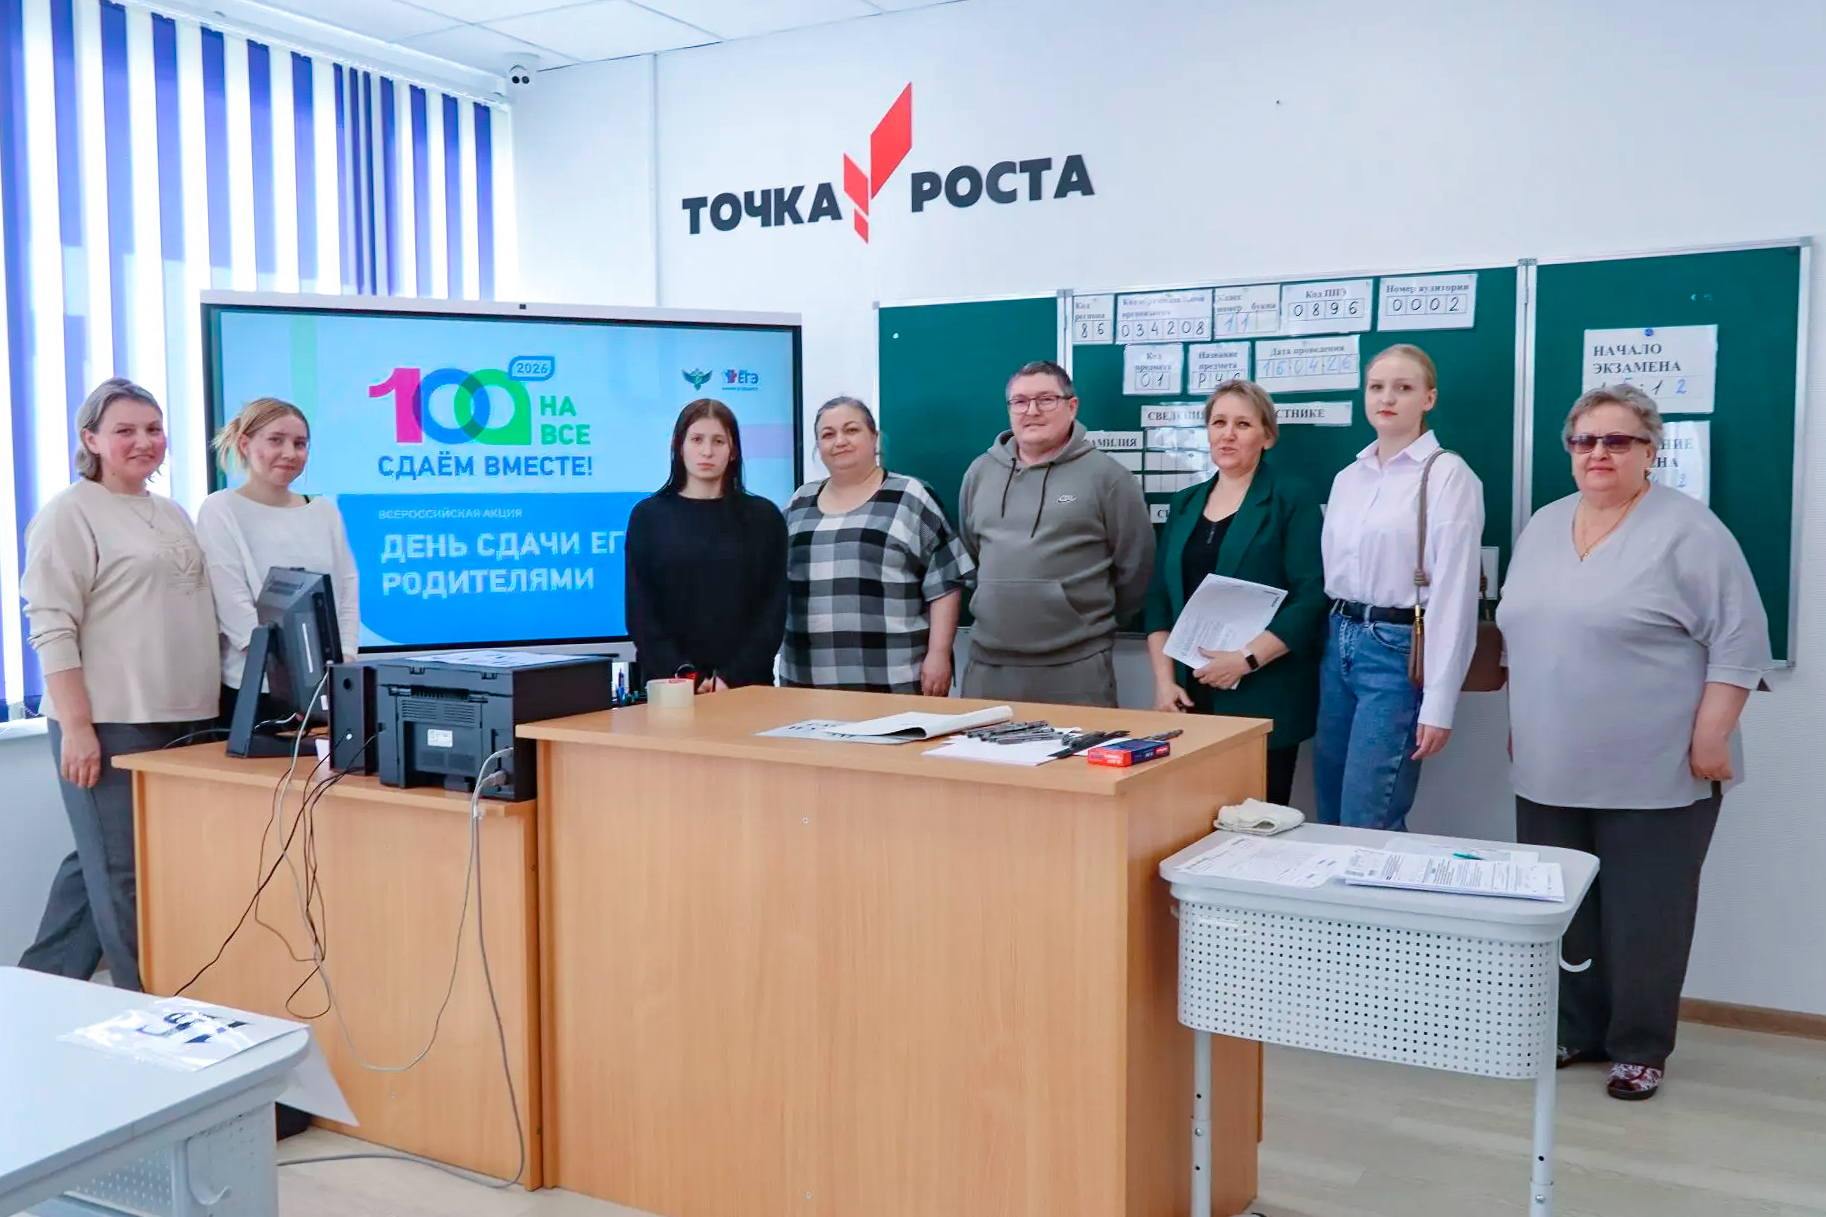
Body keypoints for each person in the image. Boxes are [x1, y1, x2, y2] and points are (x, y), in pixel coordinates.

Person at [1500, 384, 1768, 1101]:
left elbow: (1741, 641)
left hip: (1659, 767)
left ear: (1651, 451)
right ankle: (1577, 1029)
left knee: (1647, 914)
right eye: (1584, 440)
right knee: (1565, 909)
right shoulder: (1544, 524)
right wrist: (1521, 722)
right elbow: (1526, 634)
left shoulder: (1691, 530)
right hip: (1550, 763)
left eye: (1617, 440)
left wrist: (1713, 733)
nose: (1599, 453)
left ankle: (1640, 1046)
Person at [17, 378, 219, 992]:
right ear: (91, 439)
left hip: (184, 717)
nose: (144, 441)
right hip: (110, 720)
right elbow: (52, 626)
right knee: (125, 879)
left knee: (98, 867)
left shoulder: (172, 511)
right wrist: (78, 729)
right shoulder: (69, 513)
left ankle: (34, 997)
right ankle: (150, 1014)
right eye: (125, 430)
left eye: (153, 429)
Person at [1315, 343, 1483, 831]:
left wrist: (1439, 701)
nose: (1386, 398)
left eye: (1403, 388)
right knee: (1329, 810)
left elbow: (1454, 597)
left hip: (1396, 650)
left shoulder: (1448, 475)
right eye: (1376, 387)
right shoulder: (1348, 478)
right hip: (1338, 640)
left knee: (1368, 817)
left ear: (1428, 399)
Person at [1144, 380, 1326, 806]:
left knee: (1255, 822)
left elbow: (1311, 596)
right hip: (1189, 695)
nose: (1227, 434)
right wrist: (1164, 683)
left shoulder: (1289, 498)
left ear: (1267, 437)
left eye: (1242, 424)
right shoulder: (1184, 503)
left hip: (1263, 689)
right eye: (1218, 423)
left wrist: (1245, 660)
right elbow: (1159, 601)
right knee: (1191, 819)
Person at [957, 359, 1154, 707]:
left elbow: (1135, 569)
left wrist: (1079, 617)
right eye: (1020, 401)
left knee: (1080, 746)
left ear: (1071, 406)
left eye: (1046, 400)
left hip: (1076, 666)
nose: (1031, 411)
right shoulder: (980, 473)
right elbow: (971, 554)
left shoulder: (1108, 478)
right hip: (987, 665)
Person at [781, 397, 974, 694]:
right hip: (806, 681)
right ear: (818, 447)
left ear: (874, 438)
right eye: (828, 434)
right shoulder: (799, 502)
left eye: (851, 430)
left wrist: (938, 654)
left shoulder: (910, 496)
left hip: (893, 679)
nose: (840, 441)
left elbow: (946, 582)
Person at [196, 397, 360, 720]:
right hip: (255, 690)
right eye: (276, 440)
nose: (289, 453)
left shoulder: (324, 511)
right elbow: (233, 606)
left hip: (325, 690)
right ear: (245, 444)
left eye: (299, 443)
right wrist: (296, 685)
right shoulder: (220, 509)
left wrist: (343, 671)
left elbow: (347, 594)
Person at [626, 398, 787, 690]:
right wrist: (686, 676)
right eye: (697, 439)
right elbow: (640, 611)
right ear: (678, 445)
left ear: (733, 450)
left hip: (748, 688)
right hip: (671, 688)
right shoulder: (648, 516)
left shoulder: (764, 517)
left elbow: (773, 611)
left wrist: (731, 678)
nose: (707, 451)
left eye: (718, 441)